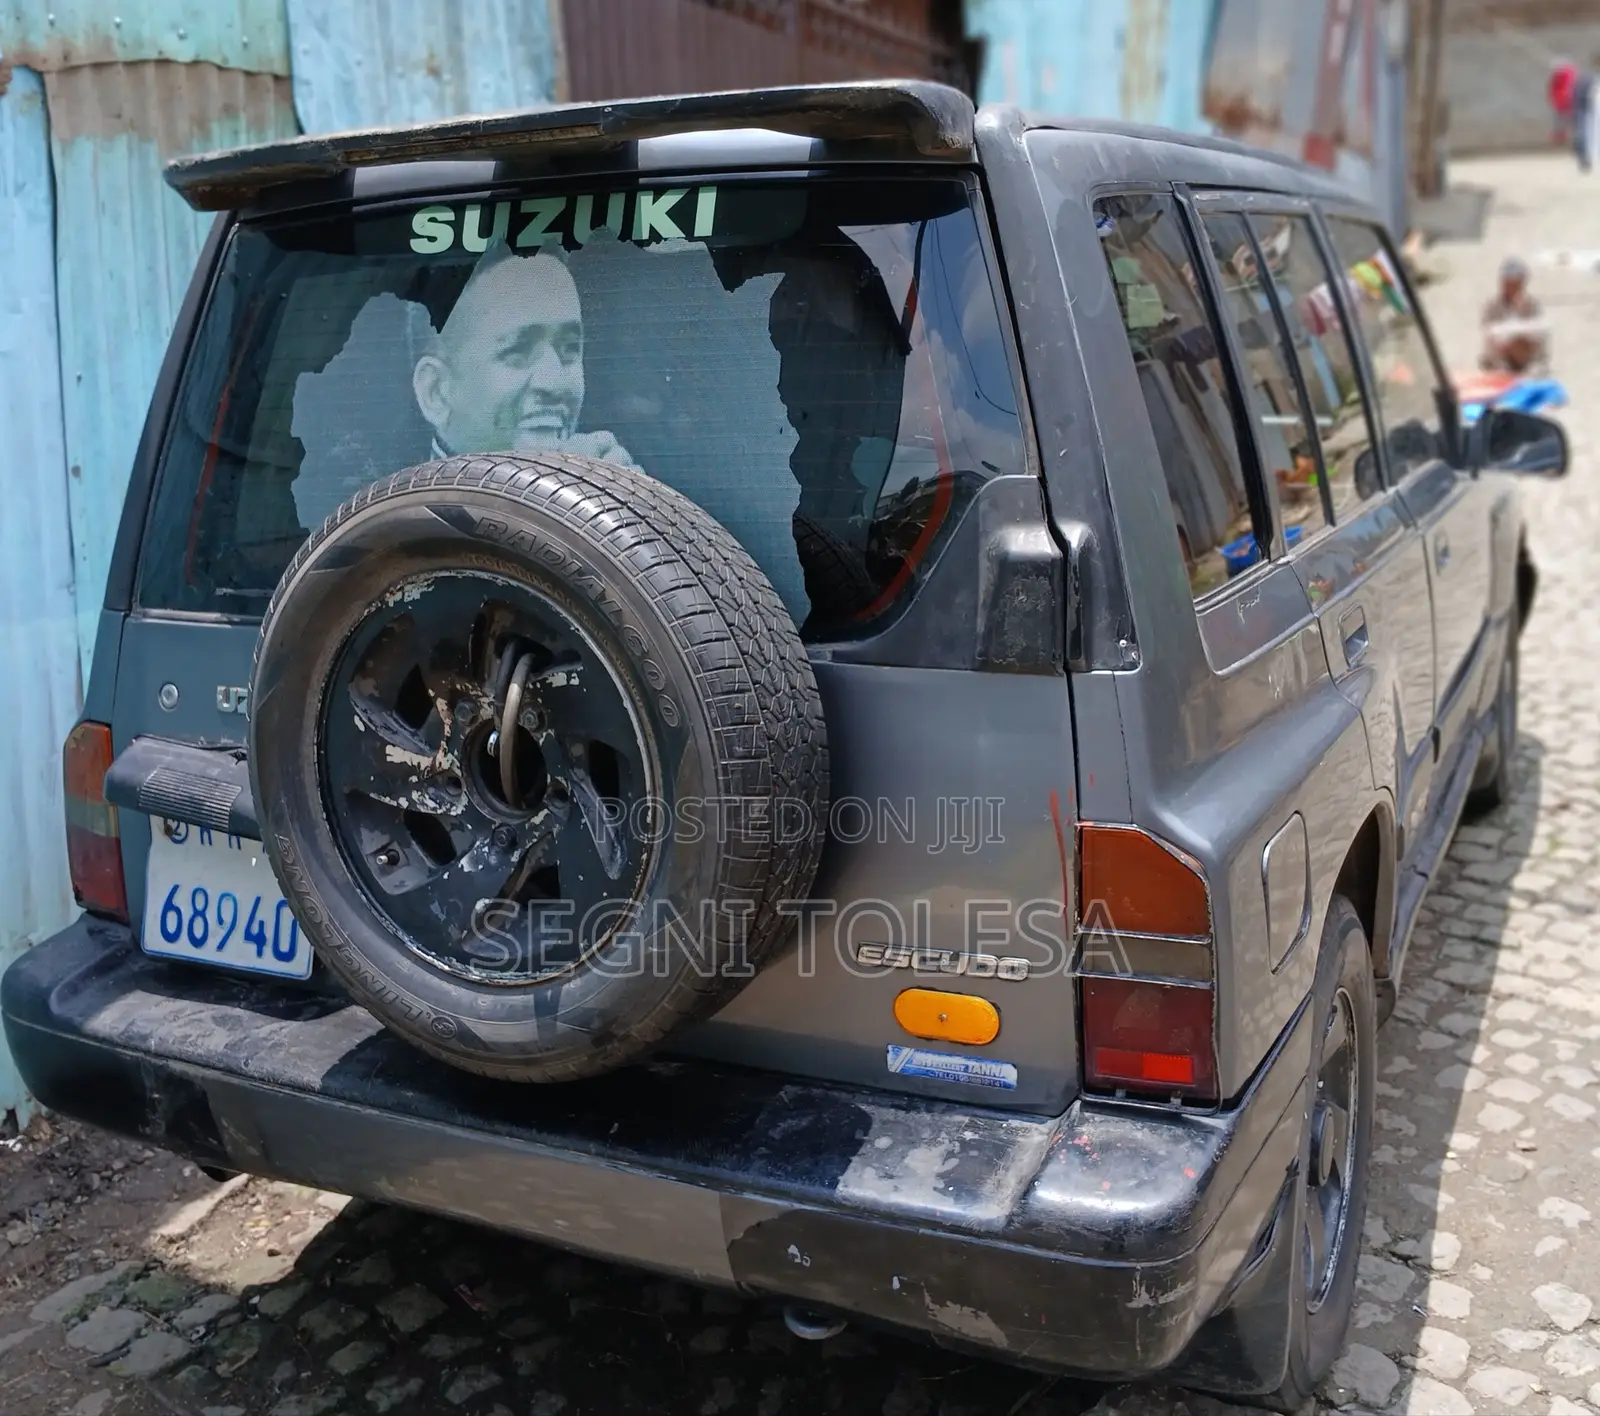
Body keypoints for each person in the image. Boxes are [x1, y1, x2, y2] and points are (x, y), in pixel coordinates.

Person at [411, 243, 635, 465]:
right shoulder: (387, 499)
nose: (555, 384)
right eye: (517, 351)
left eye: (569, 348)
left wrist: (629, 498)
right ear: (436, 392)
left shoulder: (609, 488)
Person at [1479, 256, 1550, 374]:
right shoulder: (1492, 306)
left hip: (1527, 354)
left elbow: (1541, 330)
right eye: (1508, 283)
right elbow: (1488, 330)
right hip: (1501, 356)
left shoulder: (1532, 304)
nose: (1511, 288)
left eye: (1515, 284)